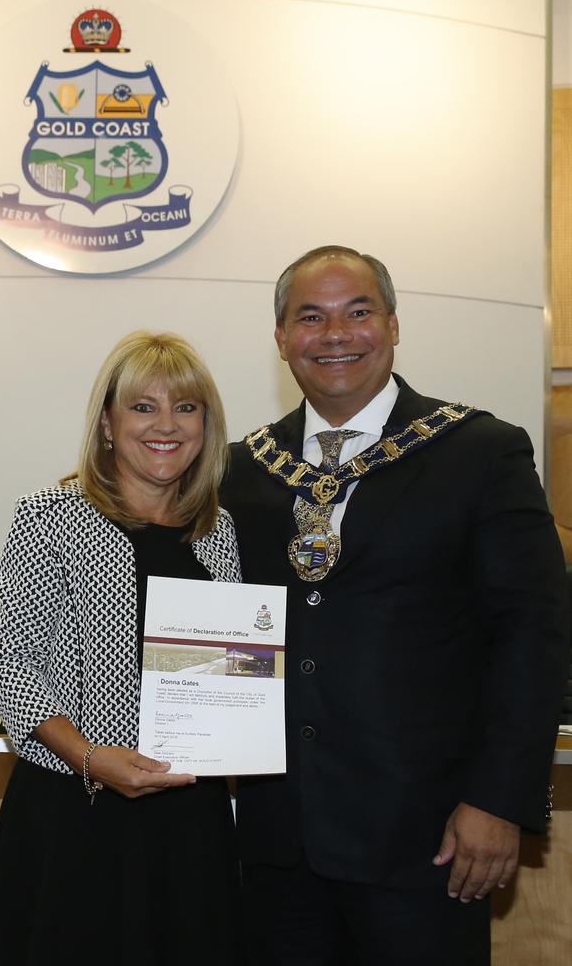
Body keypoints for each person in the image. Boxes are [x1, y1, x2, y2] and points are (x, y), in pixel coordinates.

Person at [221, 246, 569, 966]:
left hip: (431, 841)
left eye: (358, 312)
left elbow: (533, 635)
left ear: (393, 324)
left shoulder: (479, 452)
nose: (336, 334)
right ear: (282, 339)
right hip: (278, 846)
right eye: (310, 317)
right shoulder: (240, 471)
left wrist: (501, 801)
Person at [0, 331, 242, 966]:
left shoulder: (219, 531)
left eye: (186, 407)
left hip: (189, 813)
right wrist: (89, 758)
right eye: (143, 407)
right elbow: (10, 659)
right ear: (107, 425)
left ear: (207, 424)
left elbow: (234, 664)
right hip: (76, 805)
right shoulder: (50, 516)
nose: (166, 425)